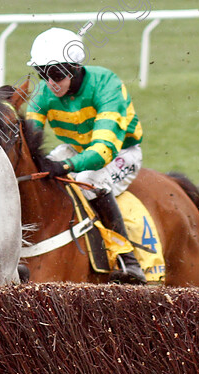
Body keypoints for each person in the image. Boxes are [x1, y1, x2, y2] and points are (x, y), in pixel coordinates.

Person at [26, 27, 147, 285]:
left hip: (120, 152)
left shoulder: (107, 85)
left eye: (57, 74)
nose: (50, 83)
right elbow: (29, 138)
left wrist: (66, 165)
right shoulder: (43, 92)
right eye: (43, 74)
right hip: (76, 147)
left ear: (75, 67)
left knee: (89, 183)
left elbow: (103, 150)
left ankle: (128, 259)